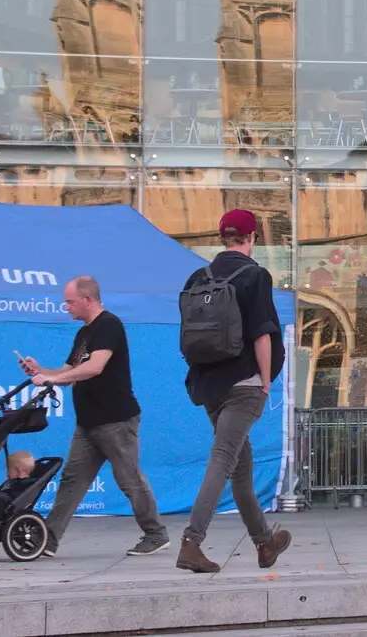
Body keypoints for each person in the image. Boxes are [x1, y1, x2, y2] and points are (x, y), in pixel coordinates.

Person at [177, 209, 291, 574]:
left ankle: (264, 543)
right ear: (252, 237)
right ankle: (191, 542)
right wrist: (265, 379)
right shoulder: (255, 275)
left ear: (222, 236)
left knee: (241, 467)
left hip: (209, 385)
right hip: (244, 384)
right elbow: (262, 332)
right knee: (224, 458)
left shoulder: (200, 275)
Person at [21, 275, 167, 557]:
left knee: (129, 479)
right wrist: (41, 372)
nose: (66, 307)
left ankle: (155, 534)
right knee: (72, 480)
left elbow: (95, 367)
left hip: (115, 420)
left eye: (70, 302)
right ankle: (48, 540)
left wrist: (51, 381)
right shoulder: (83, 333)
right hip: (88, 422)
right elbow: (67, 372)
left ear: (87, 300)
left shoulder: (109, 325)